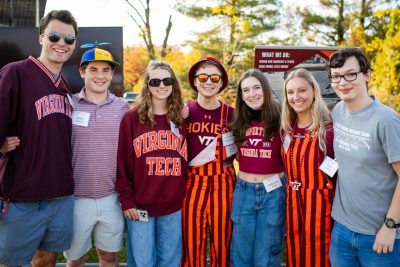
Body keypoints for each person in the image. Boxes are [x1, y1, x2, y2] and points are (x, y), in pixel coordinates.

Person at [0, 10, 78, 266]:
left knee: (46, 259)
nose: (61, 43)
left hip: (61, 194)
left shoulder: (64, 84)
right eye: (55, 35)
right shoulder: (15, 73)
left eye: (69, 39)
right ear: (41, 37)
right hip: (23, 194)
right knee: (10, 262)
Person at [326, 48, 400, 266]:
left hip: (379, 235)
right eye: (336, 76)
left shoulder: (386, 120)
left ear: (367, 74)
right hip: (341, 232)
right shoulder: (337, 112)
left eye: (351, 74)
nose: (343, 82)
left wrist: (390, 225)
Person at [116, 61, 187, 267]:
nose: (161, 85)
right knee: (143, 262)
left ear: (173, 84)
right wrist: (127, 200)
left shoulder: (181, 119)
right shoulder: (131, 118)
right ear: (147, 85)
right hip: (140, 206)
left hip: (173, 206)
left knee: (170, 262)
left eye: (167, 80)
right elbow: (122, 163)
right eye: (155, 81)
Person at [62, 47, 129, 266]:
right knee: (75, 259)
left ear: (112, 75)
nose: (100, 76)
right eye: (93, 69)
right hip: (76, 198)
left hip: (112, 197)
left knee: (109, 257)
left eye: (105, 70)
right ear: (82, 72)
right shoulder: (69, 104)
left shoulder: (123, 108)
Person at [181, 57, 236, 267]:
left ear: (221, 82)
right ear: (195, 81)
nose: (209, 82)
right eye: (203, 77)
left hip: (224, 184)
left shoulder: (231, 114)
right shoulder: (184, 112)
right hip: (192, 185)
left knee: (222, 246)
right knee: (191, 245)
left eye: (215, 77)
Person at [229, 69, 285, 267]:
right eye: (246, 90)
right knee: (240, 255)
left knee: (266, 255)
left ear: (266, 89)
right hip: (244, 191)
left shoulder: (282, 118)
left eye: (256, 88)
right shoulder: (237, 121)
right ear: (241, 96)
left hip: (273, 193)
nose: (251, 94)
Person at [281, 68, 335, 267]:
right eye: (291, 92)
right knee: (295, 256)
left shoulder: (328, 130)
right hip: (293, 204)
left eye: (302, 91)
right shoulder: (287, 129)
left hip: (320, 206)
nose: (296, 97)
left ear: (314, 91)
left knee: (319, 258)